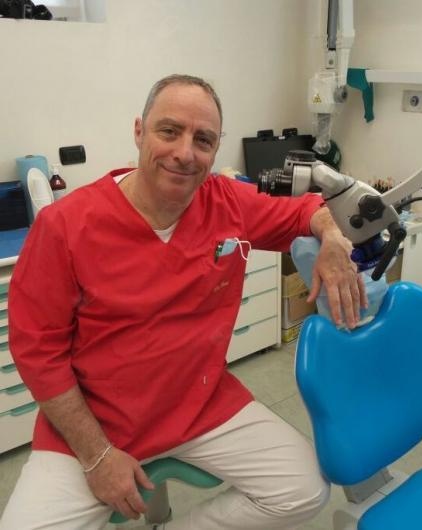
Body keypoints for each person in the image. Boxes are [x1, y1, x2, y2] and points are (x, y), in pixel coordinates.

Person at [0, 74, 367, 530]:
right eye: (169, 131)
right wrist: (96, 457)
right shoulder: (65, 226)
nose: (185, 153)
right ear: (140, 131)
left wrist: (331, 237)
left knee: (303, 491)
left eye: (203, 140)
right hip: (96, 424)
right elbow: (38, 352)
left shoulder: (228, 201)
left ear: (216, 150)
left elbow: (309, 208)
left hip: (199, 406)